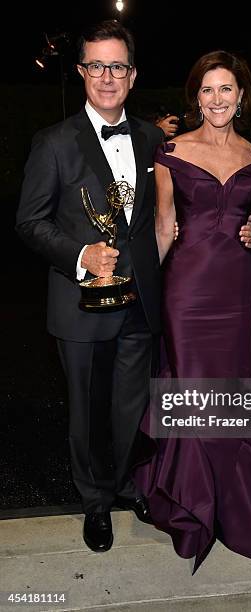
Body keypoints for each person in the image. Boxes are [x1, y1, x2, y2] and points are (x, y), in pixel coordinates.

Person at [16, 20, 165, 553]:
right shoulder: (53, 142)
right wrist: (81, 254)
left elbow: (163, 216)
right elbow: (30, 223)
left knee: (130, 406)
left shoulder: (151, 137)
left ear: (132, 74)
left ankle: (124, 484)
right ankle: (94, 502)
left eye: (117, 66)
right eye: (96, 65)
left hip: (140, 306)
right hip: (79, 304)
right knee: (85, 410)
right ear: (81, 72)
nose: (107, 76)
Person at [133, 50, 251, 573]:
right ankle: (191, 504)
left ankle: (234, 500)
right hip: (187, 292)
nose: (217, 99)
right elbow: (163, 225)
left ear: (242, 96)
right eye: (207, 90)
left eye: (226, 90)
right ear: (195, 97)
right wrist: (141, 295)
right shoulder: (171, 150)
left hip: (239, 290)